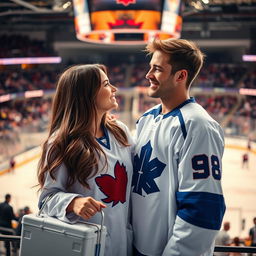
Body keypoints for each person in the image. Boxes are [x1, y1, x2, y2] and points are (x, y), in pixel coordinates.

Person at [131, 38, 226, 256]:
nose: (148, 75)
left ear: (180, 76)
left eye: (157, 69)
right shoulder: (146, 118)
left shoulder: (199, 126)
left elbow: (203, 208)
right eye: (150, 67)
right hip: (136, 247)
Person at [37, 64, 134, 256]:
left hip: (123, 243)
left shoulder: (120, 131)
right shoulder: (61, 143)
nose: (114, 89)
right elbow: (46, 200)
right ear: (86, 95)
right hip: (85, 246)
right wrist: (72, 202)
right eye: (106, 84)